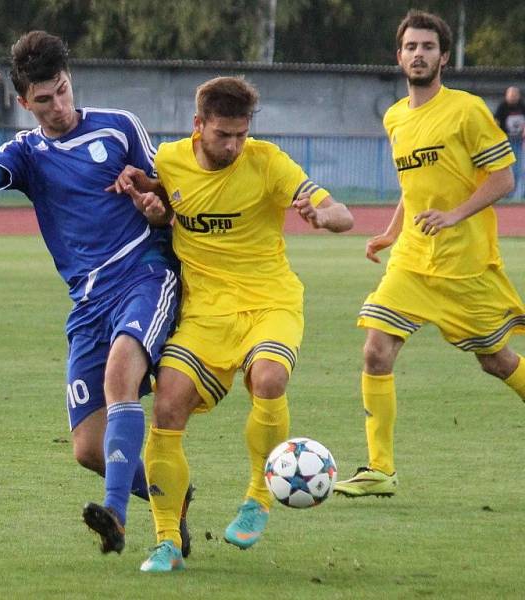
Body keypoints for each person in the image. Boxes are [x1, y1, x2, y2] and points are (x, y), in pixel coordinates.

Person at [0, 31, 192, 557]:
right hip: (88, 303)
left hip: (144, 275)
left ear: (70, 81)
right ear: (23, 103)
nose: (58, 106)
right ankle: (170, 495)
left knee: (119, 378)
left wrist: (153, 202)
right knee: (87, 448)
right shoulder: (28, 154)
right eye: (44, 99)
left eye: (62, 90)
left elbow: (169, 195)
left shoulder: (120, 125)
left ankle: (117, 516)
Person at [110, 76, 354, 572]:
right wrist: (149, 202)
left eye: (242, 134)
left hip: (270, 301)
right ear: (198, 126)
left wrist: (327, 216)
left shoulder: (267, 162)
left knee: (268, 377)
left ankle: (259, 496)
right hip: (205, 314)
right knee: (167, 409)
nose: (235, 145)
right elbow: (161, 205)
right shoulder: (171, 161)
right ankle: (166, 542)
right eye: (224, 134)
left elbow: (337, 210)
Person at [334, 10, 525, 499]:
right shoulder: (395, 116)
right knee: (376, 349)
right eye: (410, 47)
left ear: (443, 56)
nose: (418, 54)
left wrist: (454, 215)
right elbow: (411, 187)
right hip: (414, 261)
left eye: (428, 47)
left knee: (497, 362)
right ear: (398, 56)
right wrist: (391, 232)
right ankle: (380, 470)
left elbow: (504, 179)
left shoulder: (466, 111)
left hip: (464, 266)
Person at [493, 86, 525, 197]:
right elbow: (496, 122)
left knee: (520, 168)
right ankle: (508, 195)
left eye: (514, 95)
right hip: (507, 141)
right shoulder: (502, 107)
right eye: (510, 95)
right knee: (509, 167)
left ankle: (519, 194)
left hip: (519, 141)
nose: (512, 97)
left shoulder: (521, 105)